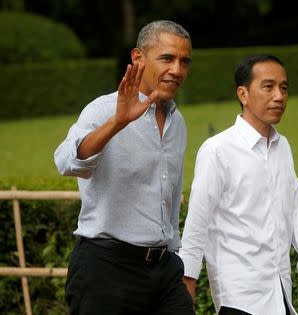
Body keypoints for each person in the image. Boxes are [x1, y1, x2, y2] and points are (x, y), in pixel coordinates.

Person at [179, 55, 298, 315]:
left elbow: (296, 213)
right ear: (243, 94)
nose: (279, 96)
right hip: (240, 301)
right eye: (268, 87)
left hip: (281, 297)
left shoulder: (282, 147)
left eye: (284, 88)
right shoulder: (217, 151)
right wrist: (187, 291)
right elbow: (197, 227)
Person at [54, 20, 195, 315]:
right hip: (106, 269)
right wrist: (118, 123)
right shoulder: (103, 110)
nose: (177, 70)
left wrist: (174, 253)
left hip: (164, 270)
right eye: (167, 58)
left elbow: (169, 197)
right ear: (138, 58)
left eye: (184, 61)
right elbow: (65, 161)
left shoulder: (177, 122)